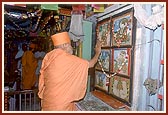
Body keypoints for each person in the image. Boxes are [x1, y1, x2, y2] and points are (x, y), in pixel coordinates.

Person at [38, 31, 101, 111]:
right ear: (65, 45)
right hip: (60, 105)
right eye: (70, 45)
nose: (72, 48)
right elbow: (91, 64)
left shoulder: (49, 56)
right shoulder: (65, 57)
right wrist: (97, 53)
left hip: (47, 101)